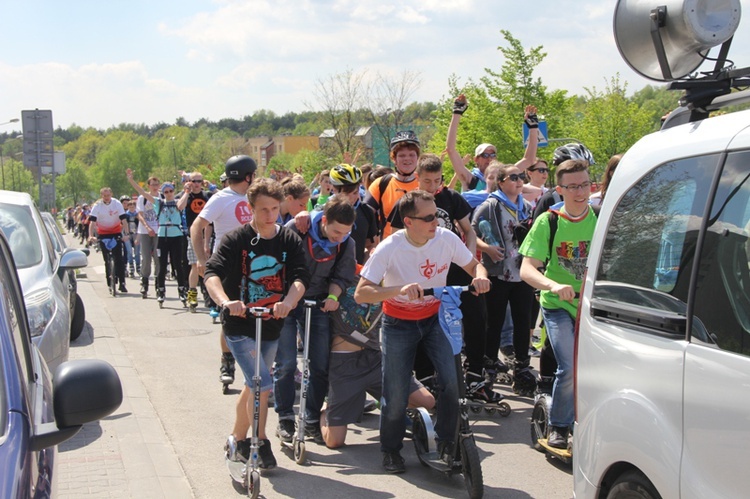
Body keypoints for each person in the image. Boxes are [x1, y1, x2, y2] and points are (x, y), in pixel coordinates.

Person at [354, 190, 491, 474]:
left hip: (434, 319)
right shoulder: (390, 248)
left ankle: (445, 442)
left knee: (453, 383)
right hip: (398, 324)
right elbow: (361, 294)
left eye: (438, 215)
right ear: (408, 221)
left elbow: (474, 265)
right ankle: (390, 449)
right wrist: (398, 290)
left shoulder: (446, 238)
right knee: (395, 392)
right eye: (428, 218)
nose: (436, 222)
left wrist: (480, 278)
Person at [204, 178, 311, 470]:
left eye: (275, 208)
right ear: (250, 208)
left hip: (272, 324)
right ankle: (259, 440)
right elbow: (212, 273)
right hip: (240, 326)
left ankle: (238, 438)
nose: (269, 215)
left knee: (255, 385)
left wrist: (289, 301)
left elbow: (302, 276)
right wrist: (226, 301)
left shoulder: (288, 239)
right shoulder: (235, 239)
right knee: (262, 383)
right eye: (263, 209)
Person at [388, 154, 500, 402]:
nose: (433, 186)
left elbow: (468, 231)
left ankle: (474, 373)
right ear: (417, 178)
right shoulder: (408, 203)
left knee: (476, 314)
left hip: (455, 266)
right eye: (427, 181)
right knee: (425, 319)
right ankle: (427, 376)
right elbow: (396, 239)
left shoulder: (451, 198)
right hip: (425, 270)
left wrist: (469, 255)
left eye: (437, 180)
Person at [519, 158, 597, 448]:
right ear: (560, 189)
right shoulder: (548, 221)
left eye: (585, 184)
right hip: (558, 306)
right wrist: (553, 285)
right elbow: (527, 269)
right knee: (570, 366)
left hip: (590, 306)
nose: (581, 192)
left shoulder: (600, 217)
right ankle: (560, 425)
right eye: (573, 186)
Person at [274, 196, 357, 446]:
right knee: (286, 363)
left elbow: (343, 275)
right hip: (288, 301)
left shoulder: (346, 243)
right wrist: (284, 299)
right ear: (323, 220)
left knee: (319, 364)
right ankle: (285, 417)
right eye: (335, 231)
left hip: (319, 303)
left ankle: (311, 418)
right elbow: (277, 263)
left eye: (345, 232)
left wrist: (333, 295)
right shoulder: (296, 230)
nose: (338, 237)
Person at [192, 155, 257, 387]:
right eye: (253, 175)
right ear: (247, 176)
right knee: (231, 317)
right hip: (229, 265)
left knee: (258, 315)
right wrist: (202, 259)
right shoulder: (221, 198)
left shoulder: (254, 197)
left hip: (257, 264)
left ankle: (261, 368)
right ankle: (227, 361)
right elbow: (197, 226)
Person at [137, 183, 188, 305]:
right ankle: (160, 290)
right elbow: (143, 193)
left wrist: (187, 191)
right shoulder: (158, 202)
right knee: (162, 265)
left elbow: (180, 206)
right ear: (163, 193)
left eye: (171, 191)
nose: (169, 194)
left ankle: (182, 289)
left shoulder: (177, 201)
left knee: (178, 264)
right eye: (166, 192)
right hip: (162, 236)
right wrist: (131, 180)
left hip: (176, 236)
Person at [364, 131, 421, 238]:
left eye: (411, 155)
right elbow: (365, 215)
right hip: (390, 247)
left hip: (420, 246)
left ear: (417, 157)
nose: (407, 158)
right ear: (394, 159)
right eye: (402, 155)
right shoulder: (381, 184)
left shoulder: (425, 182)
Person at [126, 171, 162, 298]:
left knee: (158, 258)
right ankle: (145, 282)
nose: (155, 186)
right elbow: (140, 215)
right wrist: (147, 227)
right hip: (145, 231)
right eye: (152, 184)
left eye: (157, 184)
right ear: (148, 186)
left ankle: (159, 283)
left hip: (159, 232)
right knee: (146, 257)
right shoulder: (143, 198)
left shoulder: (161, 197)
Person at [177, 171, 209, 309]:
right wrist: (186, 191)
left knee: (210, 266)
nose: (197, 184)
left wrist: (212, 186)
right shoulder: (186, 195)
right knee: (195, 266)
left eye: (199, 181)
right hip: (193, 235)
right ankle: (192, 296)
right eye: (194, 181)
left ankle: (210, 296)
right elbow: (179, 206)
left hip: (208, 234)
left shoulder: (208, 195)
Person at [88, 187, 130, 293]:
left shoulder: (116, 203)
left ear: (111, 194)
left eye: (108, 195)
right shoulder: (97, 206)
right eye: (104, 196)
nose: (106, 198)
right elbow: (92, 222)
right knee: (107, 259)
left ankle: (122, 283)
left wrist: (126, 234)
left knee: (118, 259)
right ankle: (110, 282)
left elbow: (124, 220)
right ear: (101, 196)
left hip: (116, 231)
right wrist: (90, 235)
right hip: (103, 233)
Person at [122, 196, 141, 278]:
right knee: (129, 251)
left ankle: (138, 266)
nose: (131, 208)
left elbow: (140, 225)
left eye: (133, 207)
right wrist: (124, 234)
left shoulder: (138, 215)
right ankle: (131, 267)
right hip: (127, 234)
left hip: (136, 234)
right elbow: (122, 225)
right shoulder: (125, 215)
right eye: (130, 207)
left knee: (137, 252)